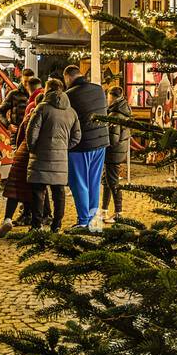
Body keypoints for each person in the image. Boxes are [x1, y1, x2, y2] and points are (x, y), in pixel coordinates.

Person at [24, 76, 81, 231]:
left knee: (38, 192)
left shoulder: (42, 108)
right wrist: (64, 147)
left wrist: (33, 148)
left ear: (48, 90)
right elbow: (77, 137)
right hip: (60, 158)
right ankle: (57, 224)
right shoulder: (72, 112)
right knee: (59, 192)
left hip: (40, 156)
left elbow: (31, 132)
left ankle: (37, 225)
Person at [63, 64, 109, 231]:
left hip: (81, 144)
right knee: (94, 182)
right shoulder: (99, 90)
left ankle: (83, 220)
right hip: (101, 142)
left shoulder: (69, 96)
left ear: (68, 78)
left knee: (79, 182)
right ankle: (93, 219)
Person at [0, 76, 43, 237]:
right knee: (34, 189)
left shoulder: (30, 114)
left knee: (15, 187)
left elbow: (22, 134)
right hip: (33, 154)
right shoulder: (41, 114)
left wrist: (18, 149)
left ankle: (8, 218)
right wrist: (8, 125)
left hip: (21, 151)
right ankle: (35, 221)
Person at [102, 86, 131, 218]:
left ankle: (118, 211)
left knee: (112, 182)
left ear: (112, 97)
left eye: (108, 96)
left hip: (113, 152)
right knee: (106, 180)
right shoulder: (123, 111)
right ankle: (104, 209)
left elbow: (113, 139)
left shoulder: (114, 114)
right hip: (118, 151)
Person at [0, 68, 35, 134]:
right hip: (16, 134)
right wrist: (8, 125)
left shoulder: (37, 95)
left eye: (30, 81)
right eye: (25, 81)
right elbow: (0, 111)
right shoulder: (13, 94)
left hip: (32, 134)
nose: (27, 84)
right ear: (21, 79)